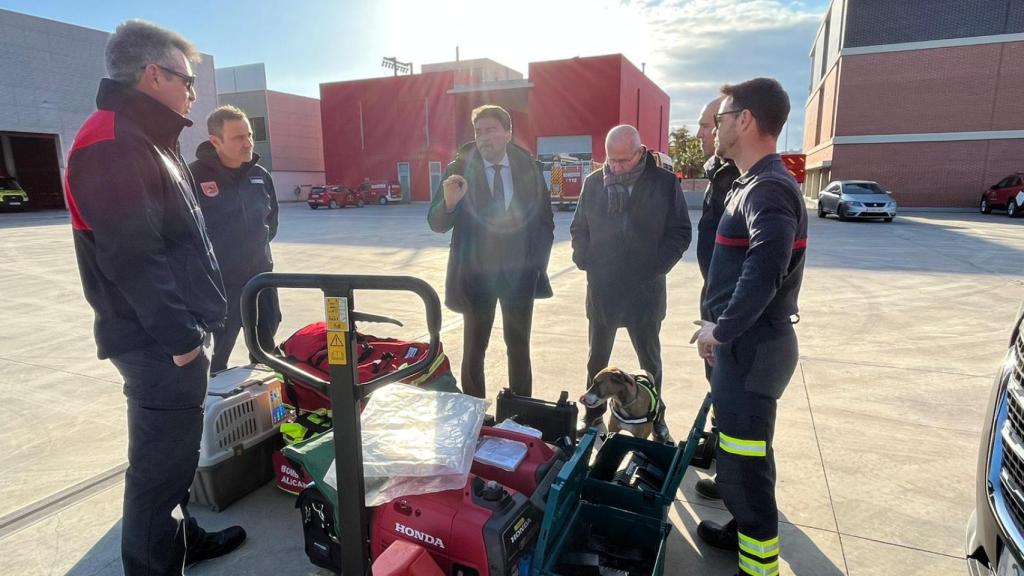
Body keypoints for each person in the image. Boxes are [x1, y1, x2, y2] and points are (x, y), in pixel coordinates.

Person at [64, 20, 245, 574]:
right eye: (186, 80)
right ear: (152, 75)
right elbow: (132, 256)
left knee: (174, 454)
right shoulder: (112, 142)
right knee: (157, 470)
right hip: (157, 341)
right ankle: (152, 564)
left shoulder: (146, 138)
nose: (192, 92)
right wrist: (182, 339)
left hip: (169, 335)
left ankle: (180, 540)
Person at [690, 78, 808, 576]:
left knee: (742, 469)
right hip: (748, 348)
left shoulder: (769, 188)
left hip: (753, 349)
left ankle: (758, 568)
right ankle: (743, 529)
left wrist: (723, 330)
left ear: (745, 120)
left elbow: (768, 262)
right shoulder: (748, 182)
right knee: (747, 456)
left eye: (721, 117)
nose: (714, 127)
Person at [570, 125, 691, 443]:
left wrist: (656, 267)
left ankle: (656, 417)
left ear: (640, 153)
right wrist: (584, 259)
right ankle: (593, 417)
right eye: (611, 160)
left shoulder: (663, 183)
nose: (617, 167)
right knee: (597, 359)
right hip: (603, 290)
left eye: (624, 160)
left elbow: (680, 231)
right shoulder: (594, 183)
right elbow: (579, 227)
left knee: (650, 363)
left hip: (645, 290)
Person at [427, 105, 554, 399]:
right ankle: (475, 412)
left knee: (519, 346)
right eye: (479, 131)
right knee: (474, 350)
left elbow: (545, 222)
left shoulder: (529, 169)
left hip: (519, 277)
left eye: (491, 130)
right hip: (475, 278)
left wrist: (536, 264)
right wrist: (448, 203)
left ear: (508, 133)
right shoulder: (458, 170)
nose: (484, 137)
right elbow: (436, 223)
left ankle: (521, 412)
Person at [189, 105, 281, 374]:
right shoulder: (192, 177)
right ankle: (213, 406)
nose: (248, 143)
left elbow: (270, 223)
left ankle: (260, 402)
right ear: (215, 141)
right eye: (238, 138)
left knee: (266, 345)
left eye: (249, 135)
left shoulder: (261, 177)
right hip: (219, 286)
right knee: (218, 356)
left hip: (261, 278)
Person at [694, 96, 741, 501]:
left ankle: (737, 490)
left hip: (731, 315)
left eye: (707, 125)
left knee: (738, 412)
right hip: (716, 302)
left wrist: (722, 326)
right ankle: (728, 475)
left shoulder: (747, 183)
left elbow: (760, 271)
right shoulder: (720, 174)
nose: (700, 134)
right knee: (719, 392)